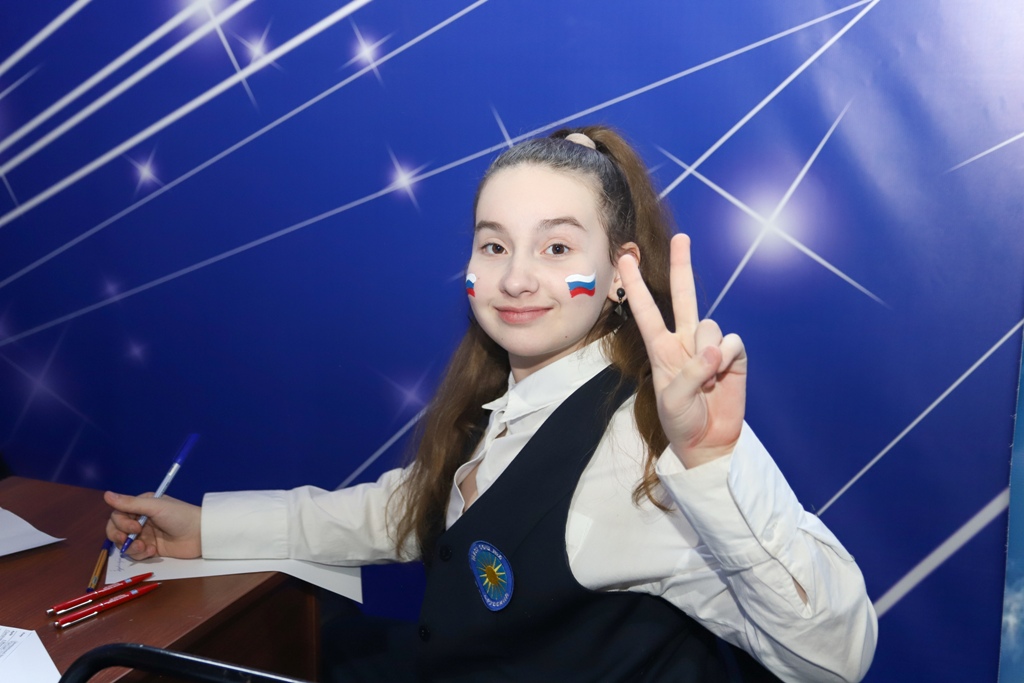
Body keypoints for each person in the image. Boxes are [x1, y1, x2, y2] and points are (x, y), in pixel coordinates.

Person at [105, 126, 877, 682]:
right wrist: (207, 527)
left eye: (557, 247)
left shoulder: (639, 445)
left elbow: (834, 657)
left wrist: (711, 463)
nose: (514, 278)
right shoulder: (503, 397)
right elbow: (403, 511)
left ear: (619, 274)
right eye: (494, 244)